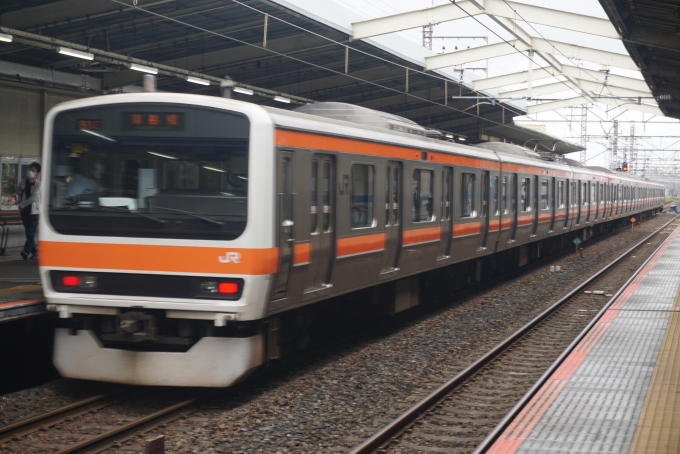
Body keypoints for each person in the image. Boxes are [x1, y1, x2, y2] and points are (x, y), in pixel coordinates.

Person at [17, 162, 41, 260]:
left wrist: (22, 205)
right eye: (29, 169)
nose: (30, 172)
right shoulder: (22, 182)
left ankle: (26, 251)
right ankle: (34, 252)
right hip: (25, 211)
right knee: (28, 232)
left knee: (31, 232)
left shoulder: (39, 184)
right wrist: (20, 190)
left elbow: (34, 197)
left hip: (34, 211)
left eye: (33, 170)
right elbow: (18, 193)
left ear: (37, 173)